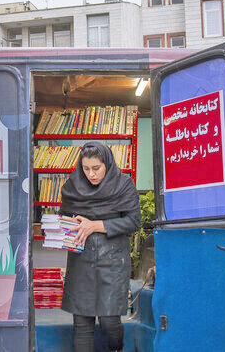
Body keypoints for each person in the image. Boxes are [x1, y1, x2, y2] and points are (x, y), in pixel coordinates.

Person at [59, 141, 141, 352]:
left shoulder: (124, 185)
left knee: (109, 321)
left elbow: (134, 222)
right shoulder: (71, 187)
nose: (91, 174)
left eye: (96, 168)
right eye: (86, 169)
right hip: (81, 258)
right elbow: (65, 220)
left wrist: (96, 225)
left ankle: (117, 348)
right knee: (82, 323)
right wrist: (62, 231)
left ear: (108, 164)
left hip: (112, 259)